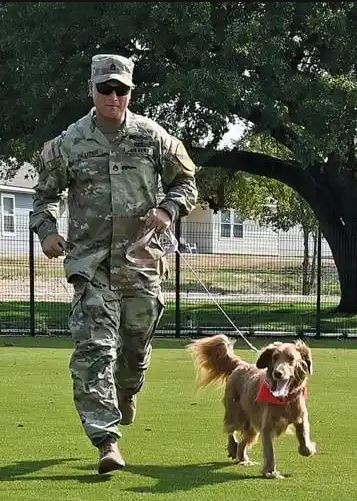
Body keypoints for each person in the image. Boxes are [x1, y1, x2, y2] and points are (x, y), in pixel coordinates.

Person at [30, 54, 197, 474]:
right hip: (92, 265)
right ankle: (107, 441)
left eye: (121, 89)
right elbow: (42, 197)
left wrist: (167, 209)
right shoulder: (69, 143)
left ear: (130, 92)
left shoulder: (152, 136)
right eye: (106, 89)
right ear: (92, 90)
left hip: (141, 261)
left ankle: (128, 389)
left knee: (135, 347)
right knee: (94, 351)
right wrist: (48, 232)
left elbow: (186, 181)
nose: (114, 96)